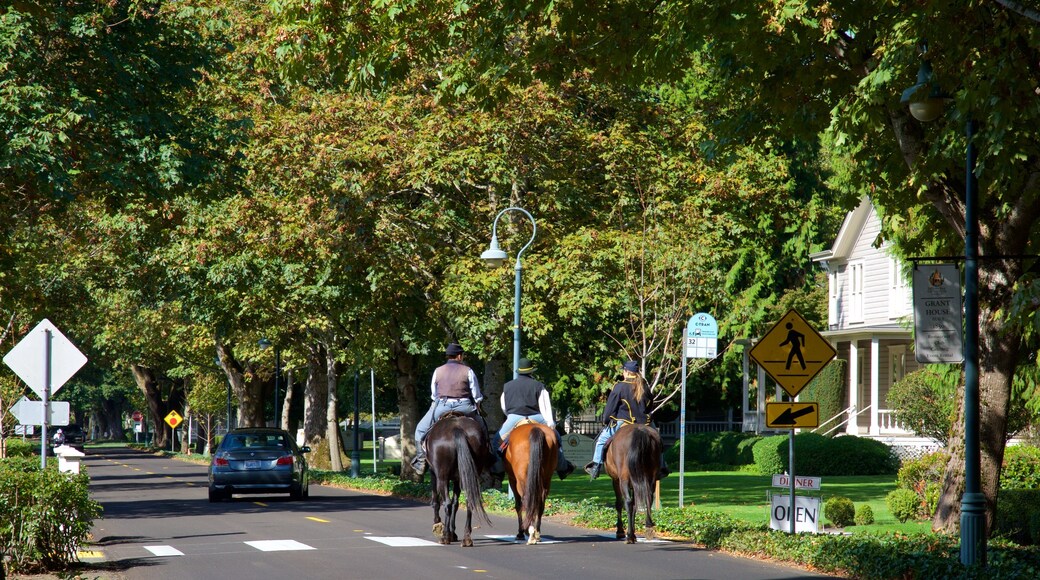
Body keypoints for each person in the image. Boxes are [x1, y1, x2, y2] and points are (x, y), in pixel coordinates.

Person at [491, 357, 576, 480]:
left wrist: (512, 415)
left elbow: (504, 407)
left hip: (514, 417)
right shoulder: (539, 385)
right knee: (556, 437)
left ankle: (498, 470)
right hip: (537, 417)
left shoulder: (507, 386)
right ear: (531, 371)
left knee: (496, 441)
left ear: (518, 371)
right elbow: (544, 405)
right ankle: (563, 467)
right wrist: (550, 422)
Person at [411, 342, 488, 476]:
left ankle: (421, 460)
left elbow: (434, 394)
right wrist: (478, 402)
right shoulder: (468, 370)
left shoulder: (438, 370)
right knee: (482, 427)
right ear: (459, 356)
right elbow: (475, 393)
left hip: (442, 406)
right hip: (465, 406)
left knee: (420, 429)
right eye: (462, 355)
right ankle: (488, 458)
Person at [584, 360, 653, 480]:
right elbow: (650, 403)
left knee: (601, 440)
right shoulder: (644, 385)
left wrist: (606, 421)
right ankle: (662, 466)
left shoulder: (620, 386)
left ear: (626, 372)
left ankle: (596, 466)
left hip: (623, 421)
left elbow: (611, 407)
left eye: (623, 370)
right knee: (657, 440)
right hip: (644, 422)